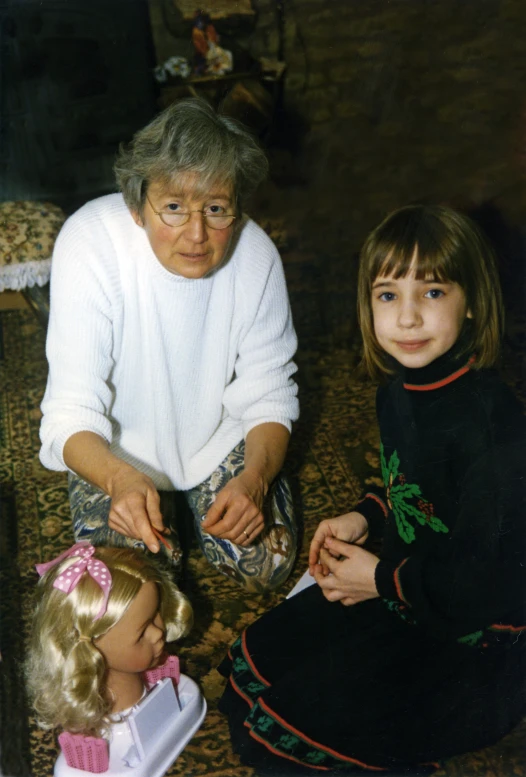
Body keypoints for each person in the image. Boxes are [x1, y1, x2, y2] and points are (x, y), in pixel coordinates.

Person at [217, 204, 526, 775]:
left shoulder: (496, 429)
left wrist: (378, 579)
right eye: (388, 295)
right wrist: (365, 515)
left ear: (473, 302)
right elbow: (410, 487)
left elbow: (488, 585)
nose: (406, 319)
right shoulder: (398, 391)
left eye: (431, 293)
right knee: (246, 674)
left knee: (279, 742)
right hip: (408, 592)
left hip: (477, 649)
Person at [39, 98, 299, 593]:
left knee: (265, 564)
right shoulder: (89, 243)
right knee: (126, 592)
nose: (197, 235)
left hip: (216, 437)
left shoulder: (257, 256)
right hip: (118, 450)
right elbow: (71, 410)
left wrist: (255, 481)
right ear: (137, 206)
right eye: (174, 208)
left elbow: (270, 392)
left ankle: (198, 507)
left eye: (217, 209)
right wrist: (118, 479)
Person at [25, 543, 192, 743]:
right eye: (141, 633)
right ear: (91, 647)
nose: (158, 633)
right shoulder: (105, 740)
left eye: (156, 613)